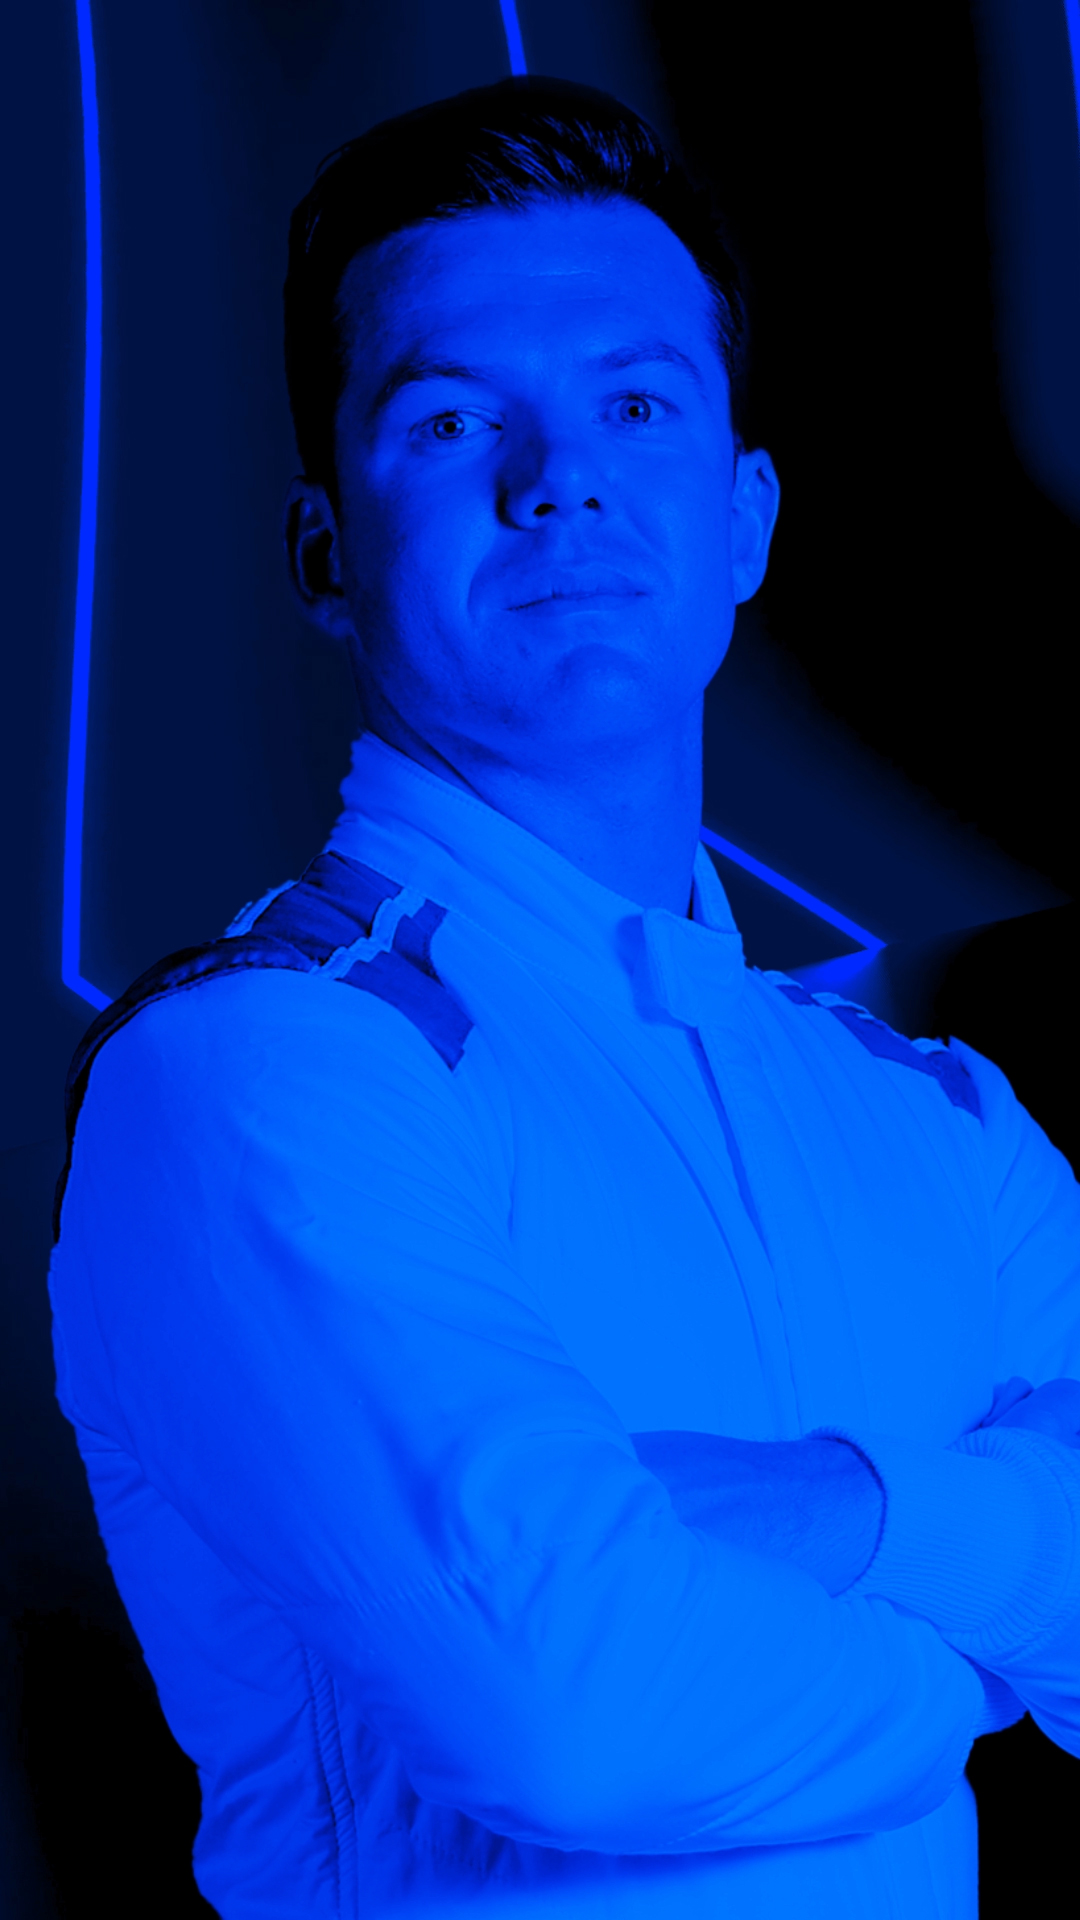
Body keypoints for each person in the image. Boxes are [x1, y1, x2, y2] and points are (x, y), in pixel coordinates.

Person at [49, 76, 1080, 1918]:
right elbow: (581, 1719)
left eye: (635, 404)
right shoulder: (262, 1071)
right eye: (452, 420)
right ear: (323, 554)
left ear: (746, 518)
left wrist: (849, 1508)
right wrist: (987, 1652)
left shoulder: (937, 1111)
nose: (560, 480)